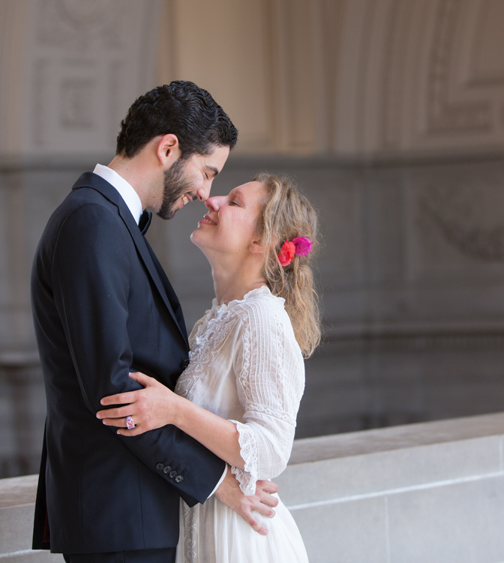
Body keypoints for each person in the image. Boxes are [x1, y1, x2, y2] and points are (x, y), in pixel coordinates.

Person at [30, 81, 279, 563]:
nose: (206, 193)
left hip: (129, 513)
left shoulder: (107, 220)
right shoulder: (92, 222)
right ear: (168, 148)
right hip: (119, 516)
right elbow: (113, 391)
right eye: (207, 172)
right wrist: (216, 482)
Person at [96, 173, 320, 562]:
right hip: (205, 517)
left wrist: (174, 408)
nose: (211, 200)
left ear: (259, 242)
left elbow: (270, 451)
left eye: (233, 202)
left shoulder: (262, 317)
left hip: (240, 538)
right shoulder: (218, 318)